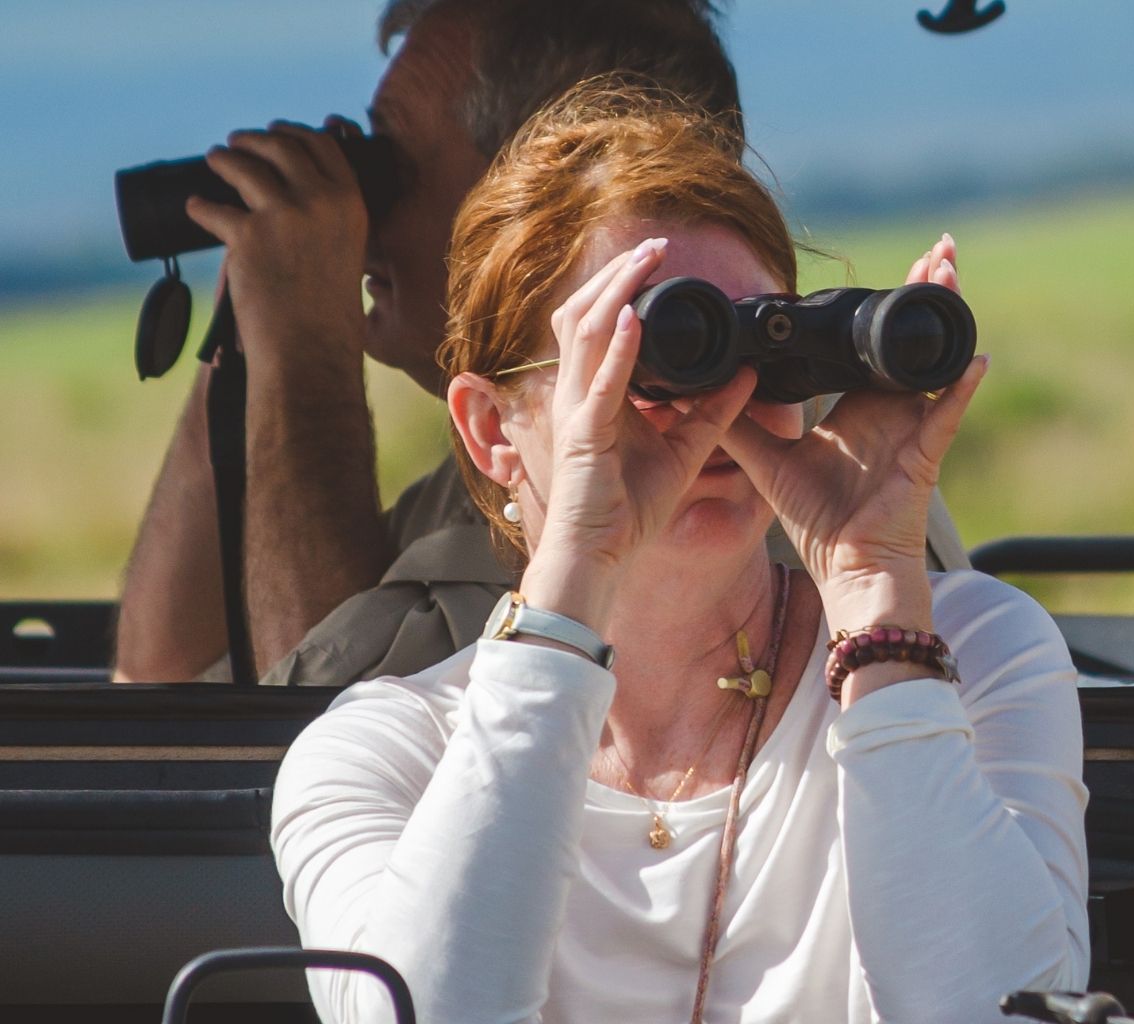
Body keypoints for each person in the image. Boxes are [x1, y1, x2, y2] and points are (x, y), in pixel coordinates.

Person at [269, 80, 1087, 1024]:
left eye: (763, 355)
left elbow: (997, 1013)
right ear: (493, 428)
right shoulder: (379, 758)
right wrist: (577, 566)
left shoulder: (964, 655)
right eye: (644, 358)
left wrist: (875, 600)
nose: (713, 408)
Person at [111, 0, 972, 686]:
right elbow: (164, 682)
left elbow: (315, 737)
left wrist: (303, 354)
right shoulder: (506, 454)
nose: (363, 223)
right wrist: (257, 318)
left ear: (534, 197)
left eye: (393, 170)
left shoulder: (779, 465)